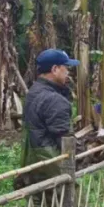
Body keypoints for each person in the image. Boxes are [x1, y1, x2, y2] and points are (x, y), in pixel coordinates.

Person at [21, 48, 79, 184]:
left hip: (33, 162)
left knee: (40, 203)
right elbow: (64, 140)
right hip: (52, 165)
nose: (68, 72)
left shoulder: (33, 92)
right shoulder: (54, 100)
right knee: (71, 202)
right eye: (66, 67)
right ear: (55, 69)